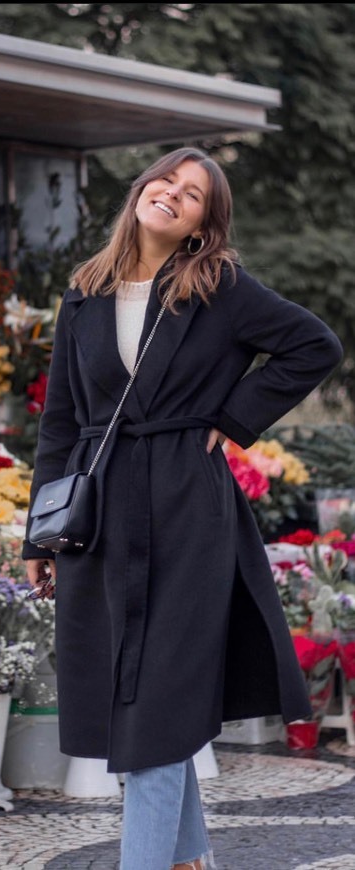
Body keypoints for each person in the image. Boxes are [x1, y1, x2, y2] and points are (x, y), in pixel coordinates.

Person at [21, 145, 343, 870]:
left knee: (156, 708)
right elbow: (61, 423)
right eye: (166, 179)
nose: (173, 193)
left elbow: (313, 346)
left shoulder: (219, 287)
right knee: (134, 702)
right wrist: (37, 539)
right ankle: (193, 860)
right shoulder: (85, 293)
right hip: (101, 517)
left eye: (193, 193)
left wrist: (232, 419)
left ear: (202, 225)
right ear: (143, 189)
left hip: (186, 513)